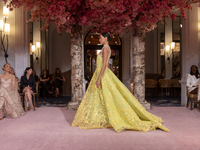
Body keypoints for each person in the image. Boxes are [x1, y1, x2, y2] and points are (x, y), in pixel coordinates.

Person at [72, 32, 170, 133]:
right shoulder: (105, 48)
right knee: (104, 97)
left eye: (100, 37)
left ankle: (112, 117)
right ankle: (103, 117)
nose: (99, 39)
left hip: (103, 76)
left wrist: (98, 78)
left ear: (106, 38)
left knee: (109, 97)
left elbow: (105, 66)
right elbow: (107, 66)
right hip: (103, 75)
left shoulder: (105, 48)